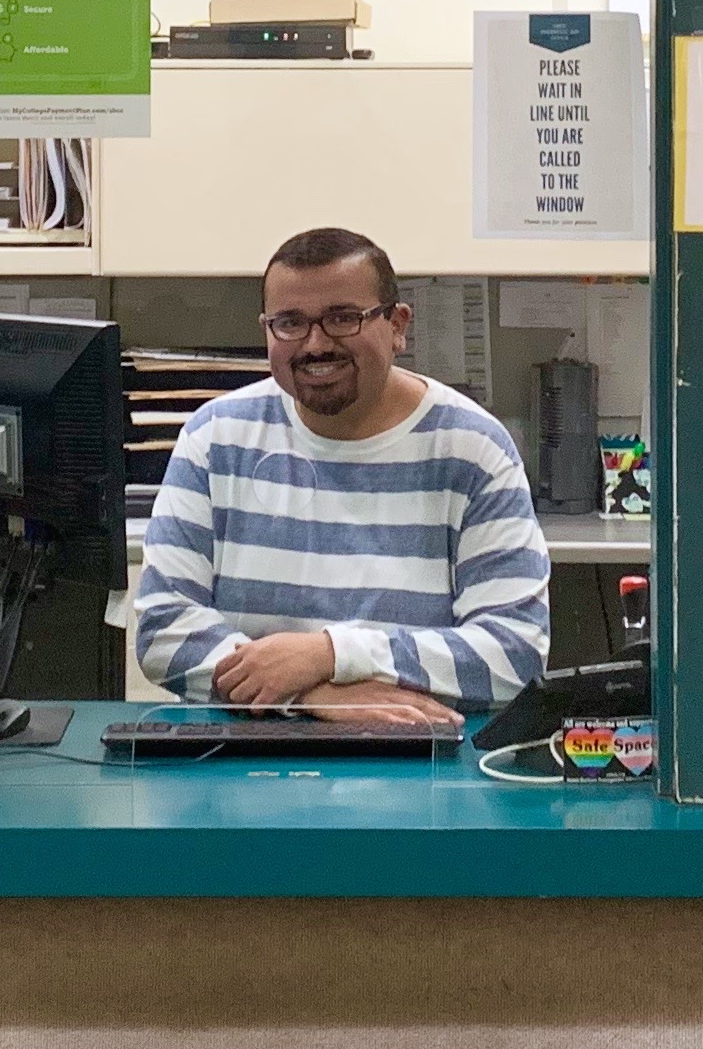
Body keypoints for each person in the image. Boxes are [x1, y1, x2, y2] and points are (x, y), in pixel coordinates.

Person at [131, 226, 551, 723]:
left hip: (413, 752)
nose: (315, 345)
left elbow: (514, 653)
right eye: (290, 323)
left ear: (397, 325)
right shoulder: (215, 437)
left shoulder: (473, 448)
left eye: (342, 319)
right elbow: (164, 630)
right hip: (243, 750)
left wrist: (331, 655)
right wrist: (315, 697)